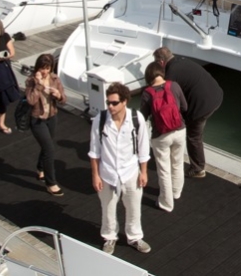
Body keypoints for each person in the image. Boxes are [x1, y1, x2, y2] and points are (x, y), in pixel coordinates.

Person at [89, 82, 152, 255]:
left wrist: (144, 172)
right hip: (107, 173)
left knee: (133, 207)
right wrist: (95, 175)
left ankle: (134, 237)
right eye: (108, 102)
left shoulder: (136, 118)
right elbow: (94, 151)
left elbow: (143, 147)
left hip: (130, 172)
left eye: (114, 103)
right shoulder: (99, 120)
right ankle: (110, 237)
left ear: (124, 101)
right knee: (107, 208)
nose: (110, 106)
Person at [153, 46, 223, 178]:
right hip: (216, 95)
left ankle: (198, 169)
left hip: (202, 105)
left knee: (193, 136)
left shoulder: (171, 73)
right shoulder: (182, 61)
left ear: (161, 62)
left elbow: (167, 101)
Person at [140, 60, 188, 212]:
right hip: (179, 130)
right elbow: (184, 107)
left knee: (164, 170)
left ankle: (166, 203)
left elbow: (142, 116)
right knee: (177, 163)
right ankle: (176, 192)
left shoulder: (147, 93)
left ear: (149, 76)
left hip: (161, 135)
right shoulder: (174, 85)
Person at [26, 53, 66, 196]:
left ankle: (40, 168)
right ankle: (51, 183)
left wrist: (58, 95)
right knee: (49, 149)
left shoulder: (55, 79)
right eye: (42, 68)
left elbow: (64, 99)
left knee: (47, 145)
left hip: (52, 117)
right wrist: (38, 85)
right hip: (37, 119)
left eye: (47, 68)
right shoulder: (31, 81)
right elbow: (31, 100)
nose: (44, 71)